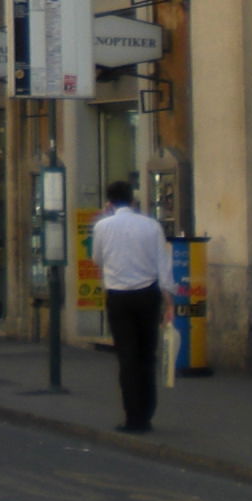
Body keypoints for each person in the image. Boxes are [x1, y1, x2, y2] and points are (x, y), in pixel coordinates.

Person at [89, 179, 174, 434]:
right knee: (147, 354)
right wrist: (169, 300)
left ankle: (132, 416)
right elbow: (163, 263)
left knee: (126, 357)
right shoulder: (151, 226)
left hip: (118, 296)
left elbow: (97, 259)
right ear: (133, 200)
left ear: (109, 202)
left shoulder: (103, 226)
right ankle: (147, 412)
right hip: (147, 294)